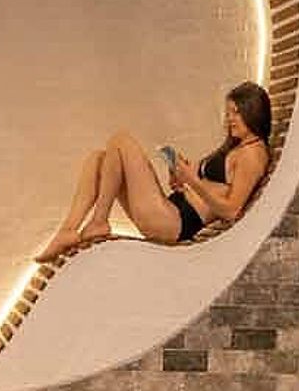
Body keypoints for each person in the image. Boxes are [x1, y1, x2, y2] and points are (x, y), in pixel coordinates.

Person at [35, 81, 273, 263]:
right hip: (170, 209)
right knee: (98, 159)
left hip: (176, 222)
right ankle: (68, 230)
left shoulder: (253, 154)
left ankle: (98, 221)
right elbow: (202, 182)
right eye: (228, 113)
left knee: (121, 140)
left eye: (236, 112)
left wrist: (193, 181)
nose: (230, 119)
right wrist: (179, 174)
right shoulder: (236, 147)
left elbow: (231, 210)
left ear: (252, 112)